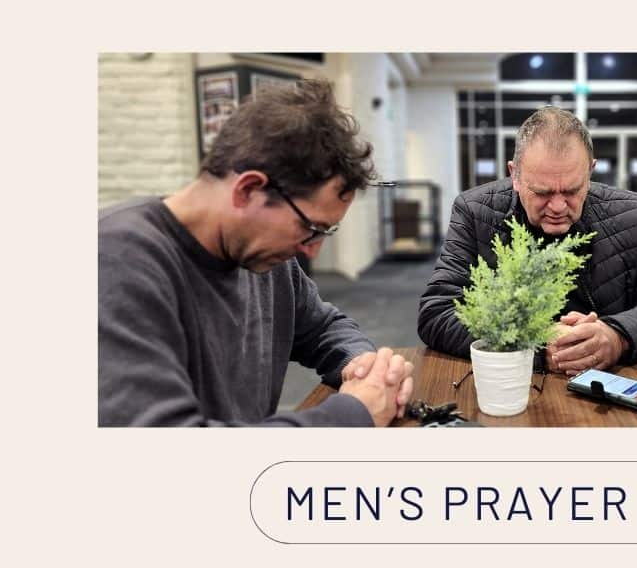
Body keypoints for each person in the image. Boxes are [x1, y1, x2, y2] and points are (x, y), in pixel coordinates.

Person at [99, 78, 413, 426]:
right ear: (248, 190)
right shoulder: (115, 260)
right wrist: (354, 413)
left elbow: (323, 326)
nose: (312, 249)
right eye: (310, 228)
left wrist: (364, 367)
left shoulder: (263, 256)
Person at [418, 106, 637, 374]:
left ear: (591, 171)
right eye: (542, 192)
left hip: (606, 389)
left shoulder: (633, 214)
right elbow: (437, 311)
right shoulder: (476, 212)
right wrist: (531, 344)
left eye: (572, 190)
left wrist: (616, 336)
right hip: (514, 387)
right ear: (515, 175)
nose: (559, 206)